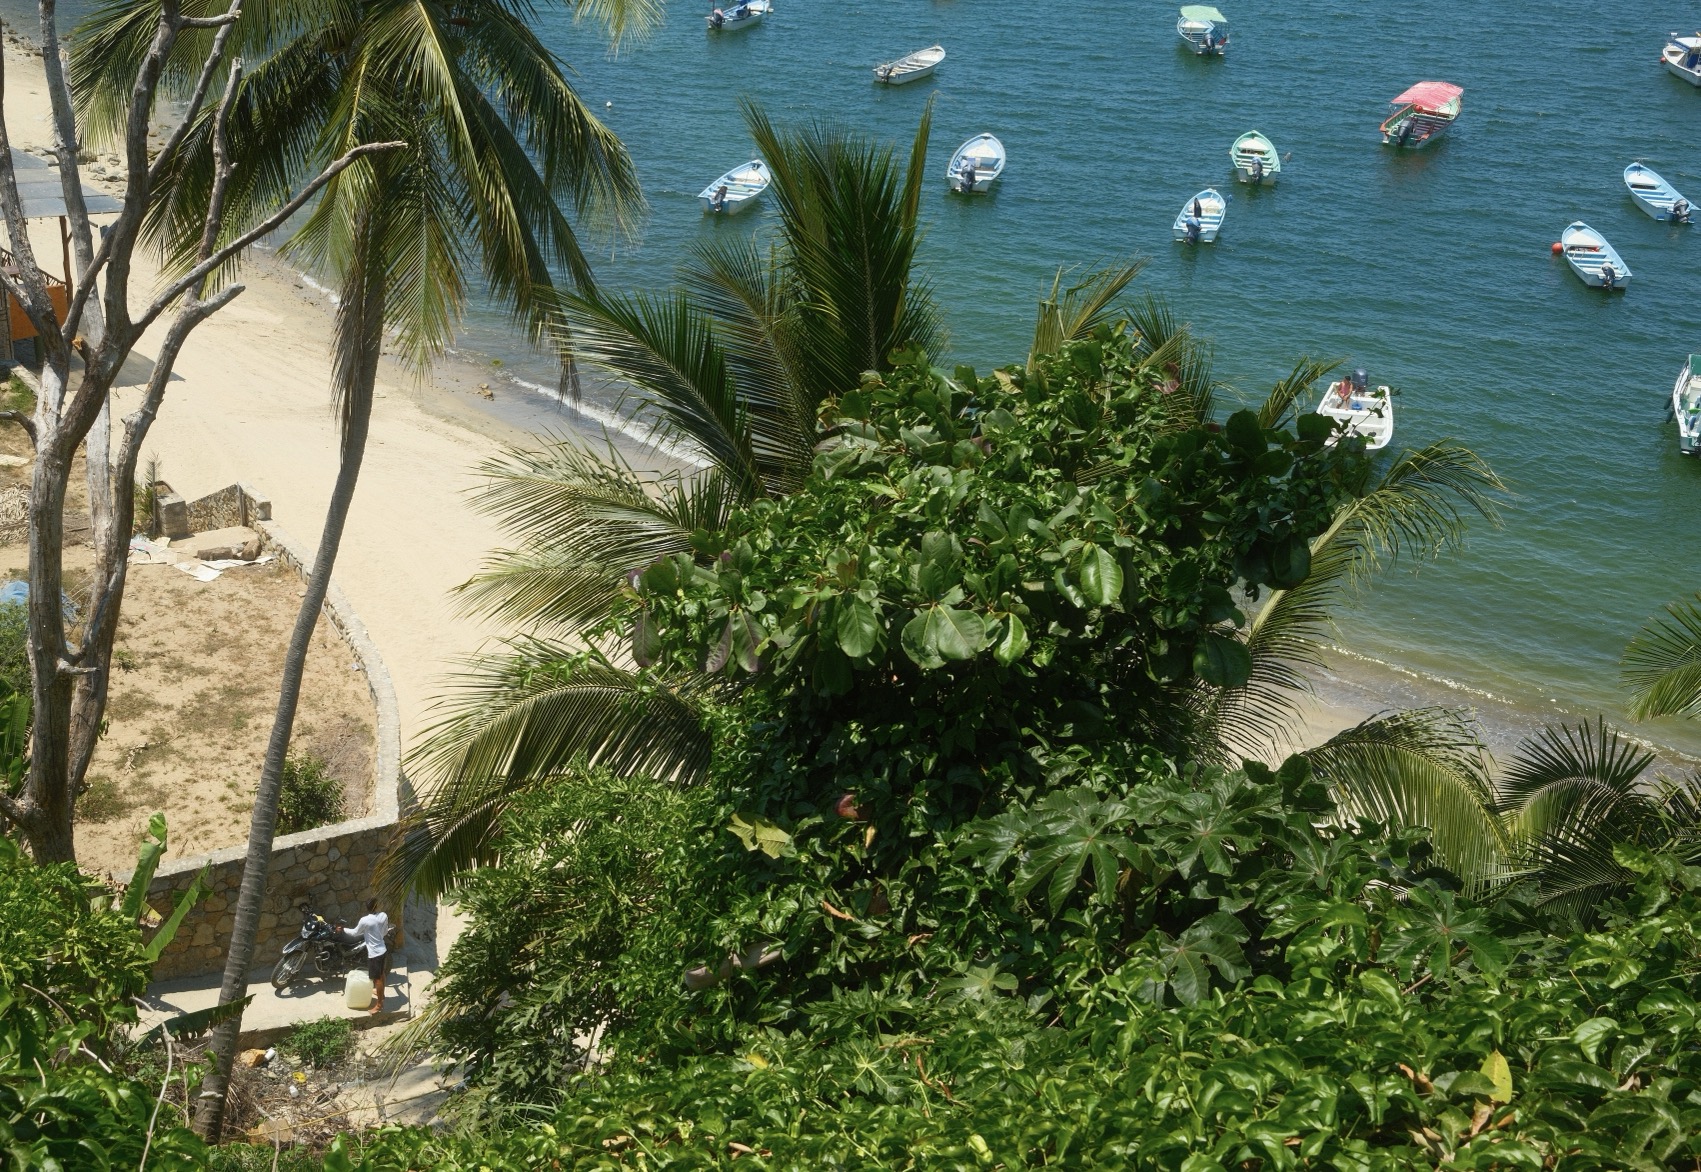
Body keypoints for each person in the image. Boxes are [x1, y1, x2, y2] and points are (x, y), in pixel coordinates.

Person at [339, 899, 391, 1014]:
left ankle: (379, 1005)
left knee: (377, 980)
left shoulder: (365, 920)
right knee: (381, 975)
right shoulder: (383, 915)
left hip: (374, 954)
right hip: (383, 949)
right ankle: (381, 994)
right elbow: (385, 931)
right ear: (377, 906)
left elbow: (355, 933)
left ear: (366, 908)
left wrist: (342, 929)